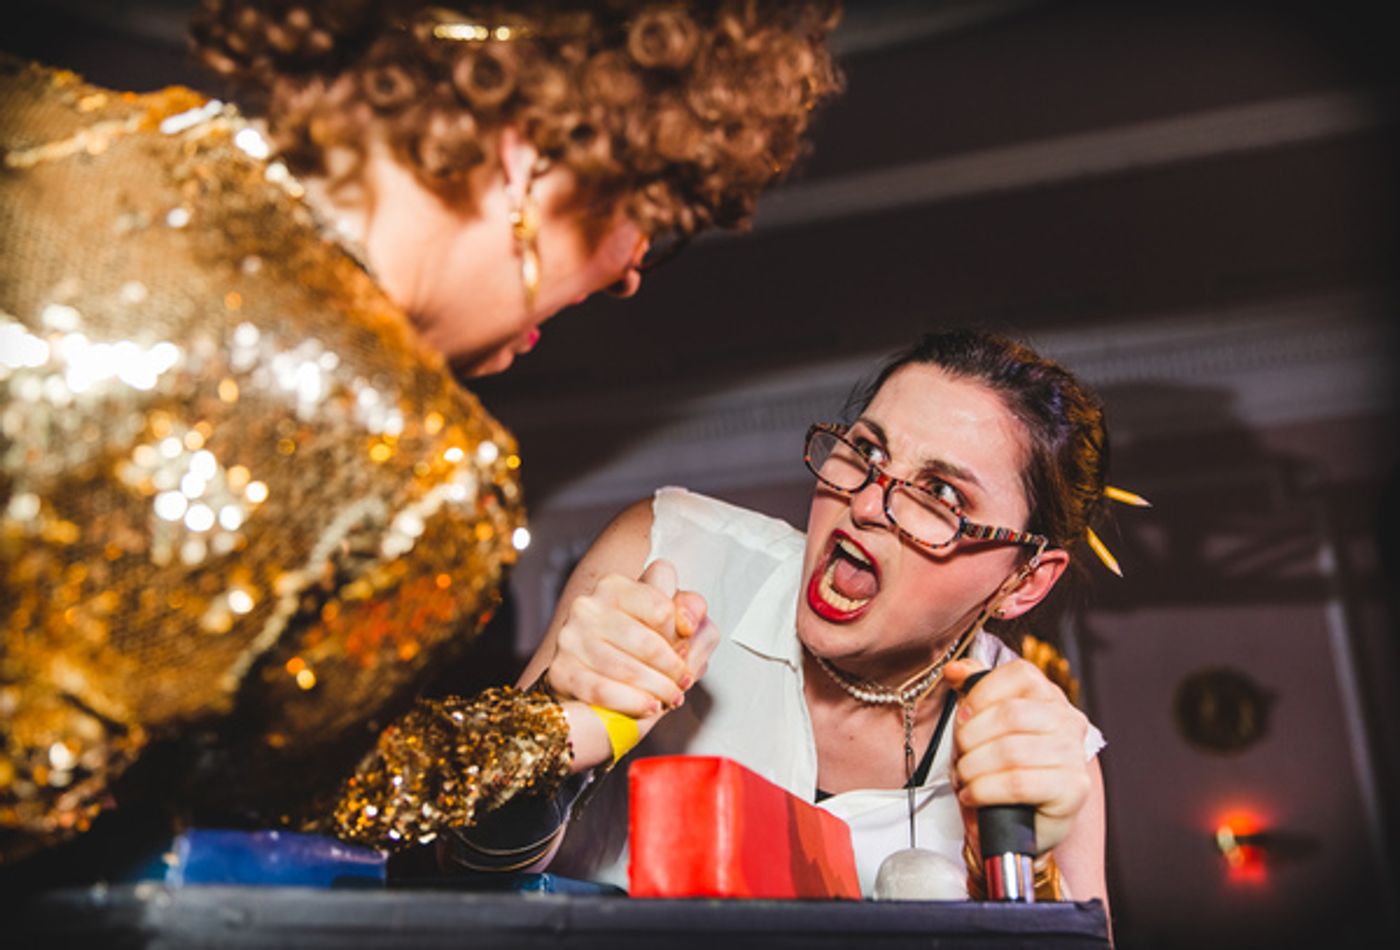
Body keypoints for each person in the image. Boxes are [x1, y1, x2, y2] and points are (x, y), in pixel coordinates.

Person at [0, 0, 841, 874]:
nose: (629, 273)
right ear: (535, 154)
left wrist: (558, 725)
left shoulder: (67, 128)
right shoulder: (410, 462)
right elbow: (307, 794)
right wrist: (566, 728)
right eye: (649, 217)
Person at [511, 329, 1123, 916]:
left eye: (941, 494)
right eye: (867, 451)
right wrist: (548, 731)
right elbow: (468, 866)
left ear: (1024, 581)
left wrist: (1021, 872)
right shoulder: (670, 553)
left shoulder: (1042, 755)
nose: (863, 504)